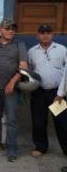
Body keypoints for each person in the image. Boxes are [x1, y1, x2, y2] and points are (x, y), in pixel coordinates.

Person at [0, 19, 28, 162]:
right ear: (0, 29)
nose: (10, 31)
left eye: (13, 28)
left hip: (11, 89)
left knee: (12, 120)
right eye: (7, 28)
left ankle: (12, 149)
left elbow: (24, 66)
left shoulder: (19, 45)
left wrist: (12, 82)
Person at [28, 24, 67, 158]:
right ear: (37, 35)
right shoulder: (32, 51)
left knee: (62, 122)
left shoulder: (62, 50)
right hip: (39, 92)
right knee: (38, 121)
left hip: (57, 93)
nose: (45, 35)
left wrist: (61, 93)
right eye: (42, 32)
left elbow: (66, 73)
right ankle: (41, 147)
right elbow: (30, 72)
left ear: (53, 35)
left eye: (48, 32)